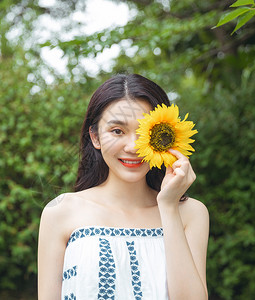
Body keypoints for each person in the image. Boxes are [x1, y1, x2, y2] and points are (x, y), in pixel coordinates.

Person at [38, 74, 209, 300]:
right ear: (95, 137)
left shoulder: (190, 213)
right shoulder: (60, 212)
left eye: (145, 133)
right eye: (117, 131)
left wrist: (168, 207)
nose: (132, 147)